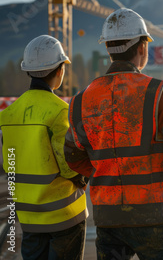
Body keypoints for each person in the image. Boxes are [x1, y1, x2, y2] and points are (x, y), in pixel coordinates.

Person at [64, 8, 163, 260]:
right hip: (152, 215)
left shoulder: (81, 100)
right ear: (142, 48)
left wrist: (101, 174)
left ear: (108, 49)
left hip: (107, 216)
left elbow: (72, 156)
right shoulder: (158, 92)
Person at [0, 35, 88, 260]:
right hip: (64, 216)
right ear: (60, 70)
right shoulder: (59, 110)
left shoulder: (8, 114)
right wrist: (84, 175)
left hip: (29, 217)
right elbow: (69, 165)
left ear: (28, 71)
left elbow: (9, 164)